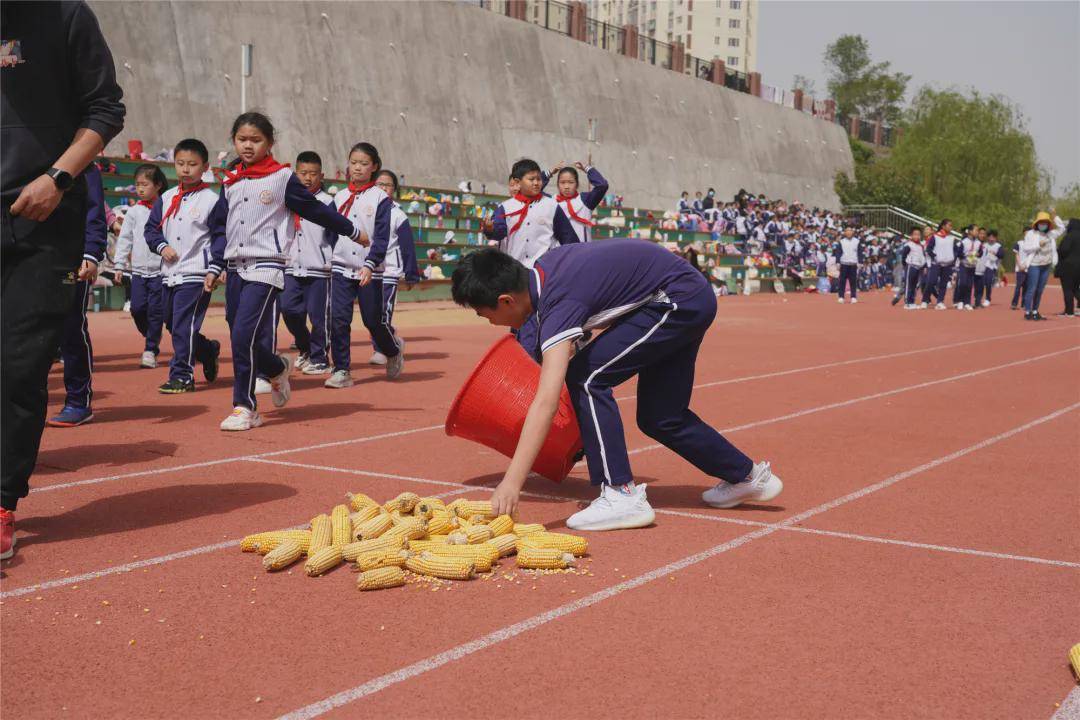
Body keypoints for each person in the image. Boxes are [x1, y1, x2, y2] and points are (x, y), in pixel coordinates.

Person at [451, 242, 782, 530]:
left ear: (506, 300)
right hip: (686, 294)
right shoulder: (545, 270)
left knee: (586, 377)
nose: (490, 323)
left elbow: (546, 402)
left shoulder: (558, 304)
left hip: (675, 300)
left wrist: (512, 483)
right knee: (661, 416)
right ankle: (747, 477)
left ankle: (620, 493)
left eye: (485, 315)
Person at [2, 0, 126, 560]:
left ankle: (1, 503)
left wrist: (57, 176)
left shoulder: (66, 15)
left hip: (42, 218)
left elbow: (105, 108)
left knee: (19, 367)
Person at [207, 112, 361, 430]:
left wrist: (351, 229)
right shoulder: (230, 180)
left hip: (267, 266)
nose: (247, 146)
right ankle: (277, 367)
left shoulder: (281, 178)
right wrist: (215, 263)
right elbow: (219, 225)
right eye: (241, 139)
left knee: (241, 335)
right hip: (235, 267)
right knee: (240, 334)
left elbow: (314, 209)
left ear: (270, 143)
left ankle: (245, 407)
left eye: (256, 140)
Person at [145, 138, 222, 393]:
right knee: (171, 322)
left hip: (196, 274)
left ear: (205, 167)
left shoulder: (211, 200)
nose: (186, 169)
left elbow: (221, 236)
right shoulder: (166, 198)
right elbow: (151, 230)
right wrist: (161, 247)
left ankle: (182, 376)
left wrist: (215, 268)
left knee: (183, 324)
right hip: (168, 274)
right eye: (180, 164)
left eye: (192, 164)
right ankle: (207, 350)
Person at [480, 158, 577, 357]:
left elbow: (568, 239)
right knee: (519, 323)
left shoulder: (551, 206)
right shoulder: (505, 208)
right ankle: (530, 363)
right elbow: (498, 231)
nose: (536, 183)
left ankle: (530, 365)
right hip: (514, 275)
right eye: (531, 179)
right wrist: (490, 229)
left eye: (538, 179)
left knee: (532, 323)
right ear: (517, 182)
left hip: (542, 275)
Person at [327, 141, 394, 388]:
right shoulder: (340, 196)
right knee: (339, 319)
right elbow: (332, 231)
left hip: (370, 270)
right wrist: (330, 255)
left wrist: (370, 263)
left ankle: (392, 350)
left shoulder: (380, 199)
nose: (357, 168)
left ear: (374, 167)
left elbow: (382, 236)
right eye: (354, 162)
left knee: (373, 321)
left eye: (364, 164)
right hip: (341, 267)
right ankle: (342, 369)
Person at [46, 164, 107, 427]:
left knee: (70, 325)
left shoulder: (85, 167)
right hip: (27, 260)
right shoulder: (23, 157)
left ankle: (78, 400)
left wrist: (91, 254)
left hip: (69, 263)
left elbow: (94, 211)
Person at [283, 151, 334, 376]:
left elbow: (335, 234)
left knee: (318, 317)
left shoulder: (327, 202)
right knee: (289, 309)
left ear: (321, 175)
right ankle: (305, 347)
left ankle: (320, 358)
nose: (308, 178)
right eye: (303, 173)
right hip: (291, 266)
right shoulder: (286, 200)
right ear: (296, 173)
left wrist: (331, 258)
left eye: (313, 174)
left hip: (319, 268)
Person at [113, 163, 167, 368]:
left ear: (158, 185)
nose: (140, 189)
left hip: (160, 271)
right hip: (138, 271)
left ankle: (150, 349)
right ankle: (153, 333)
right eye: (137, 185)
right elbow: (125, 238)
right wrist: (119, 264)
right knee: (137, 308)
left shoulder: (166, 207)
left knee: (155, 311)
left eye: (145, 184)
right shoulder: (134, 212)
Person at [367, 169, 421, 367]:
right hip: (369, 269)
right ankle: (393, 341)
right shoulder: (366, 210)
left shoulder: (398, 215)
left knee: (383, 313)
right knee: (371, 313)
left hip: (389, 270)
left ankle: (381, 349)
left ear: (394, 190)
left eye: (387, 185)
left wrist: (411, 274)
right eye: (379, 184)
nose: (383, 188)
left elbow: (407, 247)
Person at [543, 162, 609, 243]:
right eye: (562, 182)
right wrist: (549, 173)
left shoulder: (585, 200)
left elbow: (602, 185)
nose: (566, 186)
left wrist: (587, 168)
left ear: (577, 184)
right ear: (557, 184)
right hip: (560, 252)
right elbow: (534, 191)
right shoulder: (551, 202)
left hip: (582, 252)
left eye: (571, 182)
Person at [1018, 211, 1065, 321]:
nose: (1043, 224)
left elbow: (1062, 228)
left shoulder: (1050, 234)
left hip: (1046, 265)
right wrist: (1038, 245)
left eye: (1045, 222)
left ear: (1048, 224)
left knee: (1040, 290)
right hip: (1035, 265)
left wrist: (1055, 217)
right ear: (1037, 223)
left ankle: (1035, 311)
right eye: (1041, 222)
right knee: (1032, 289)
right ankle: (1027, 312)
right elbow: (1026, 248)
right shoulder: (1031, 234)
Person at [923, 219, 957, 310]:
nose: (951, 227)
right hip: (936, 263)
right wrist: (935, 257)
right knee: (931, 282)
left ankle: (940, 302)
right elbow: (929, 249)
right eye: (949, 225)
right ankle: (925, 300)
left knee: (943, 284)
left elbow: (955, 250)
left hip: (947, 264)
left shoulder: (951, 238)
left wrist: (953, 258)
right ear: (943, 226)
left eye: (951, 225)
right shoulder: (935, 237)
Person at [1055, 219, 1080, 317]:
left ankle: (1069, 311)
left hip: (1068, 266)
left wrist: (1058, 250)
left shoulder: (1069, 237)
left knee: (1068, 289)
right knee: (1075, 288)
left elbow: (1064, 250)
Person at [973, 229, 1004, 308]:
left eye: (993, 237)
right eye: (989, 237)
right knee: (981, 283)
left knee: (988, 282)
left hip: (992, 266)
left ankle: (988, 299)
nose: (991, 239)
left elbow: (1001, 255)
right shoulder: (984, 244)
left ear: (996, 238)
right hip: (982, 265)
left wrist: (995, 253)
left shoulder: (998, 246)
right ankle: (978, 298)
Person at [953, 225, 980, 310]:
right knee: (963, 283)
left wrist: (978, 254)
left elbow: (981, 252)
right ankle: (960, 301)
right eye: (976, 230)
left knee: (969, 285)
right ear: (970, 231)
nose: (977, 232)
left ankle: (967, 302)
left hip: (972, 266)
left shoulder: (978, 243)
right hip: (964, 265)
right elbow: (959, 254)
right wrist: (967, 255)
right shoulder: (964, 242)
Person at [898, 227, 926, 309]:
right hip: (911, 266)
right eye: (915, 235)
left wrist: (923, 266)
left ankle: (912, 302)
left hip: (918, 267)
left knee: (914, 286)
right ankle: (907, 303)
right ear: (911, 236)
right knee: (908, 285)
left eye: (918, 235)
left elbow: (922, 256)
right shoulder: (908, 245)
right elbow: (904, 255)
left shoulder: (921, 246)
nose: (917, 236)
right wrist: (905, 264)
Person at [834, 225, 861, 304]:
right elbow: (838, 253)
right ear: (845, 232)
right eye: (847, 231)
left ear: (852, 232)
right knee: (842, 281)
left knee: (853, 281)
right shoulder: (842, 241)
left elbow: (859, 253)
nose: (849, 232)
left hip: (853, 264)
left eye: (850, 230)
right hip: (844, 263)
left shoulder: (857, 241)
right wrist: (838, 262)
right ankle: (841, 297)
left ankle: (853, 297)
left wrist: (860, 262)